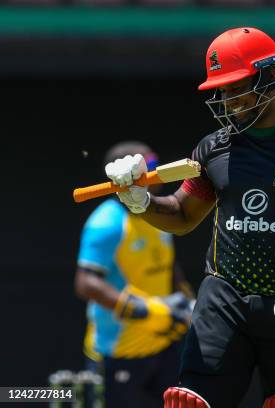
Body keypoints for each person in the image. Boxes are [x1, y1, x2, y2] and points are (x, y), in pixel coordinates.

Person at [103, 28, 275, 408]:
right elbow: (184, 214)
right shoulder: (214, 148)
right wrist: (140, 201)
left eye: (235, 87)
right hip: (222, 299)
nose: (225, 100)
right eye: (220, 90)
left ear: (269, 76)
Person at [75, 141, 194, 408]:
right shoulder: (107, 222)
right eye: (148, 166)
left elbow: (168, 263)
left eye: (153, 164)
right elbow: (86, 283)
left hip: (163, 347)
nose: (154, 172)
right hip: (118, 353)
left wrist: (188, 299)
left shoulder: (156, 211)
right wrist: (147, 311)